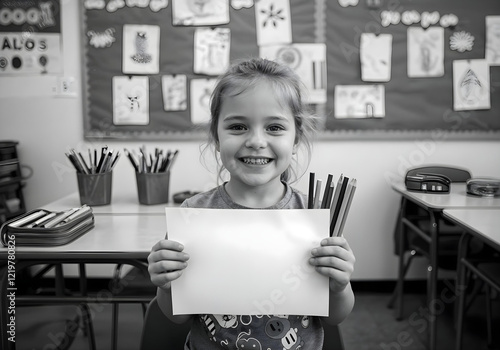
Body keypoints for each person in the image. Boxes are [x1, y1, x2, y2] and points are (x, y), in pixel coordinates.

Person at [148, 57, 355, 349]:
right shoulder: (193, 215)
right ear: (216, 137)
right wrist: (166, 286)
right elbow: (177, 317)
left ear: (296, 138)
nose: (256, 141)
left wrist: (340, 284)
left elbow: (336, 317)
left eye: (274, 128)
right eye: (237, 127)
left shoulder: (315, 215)